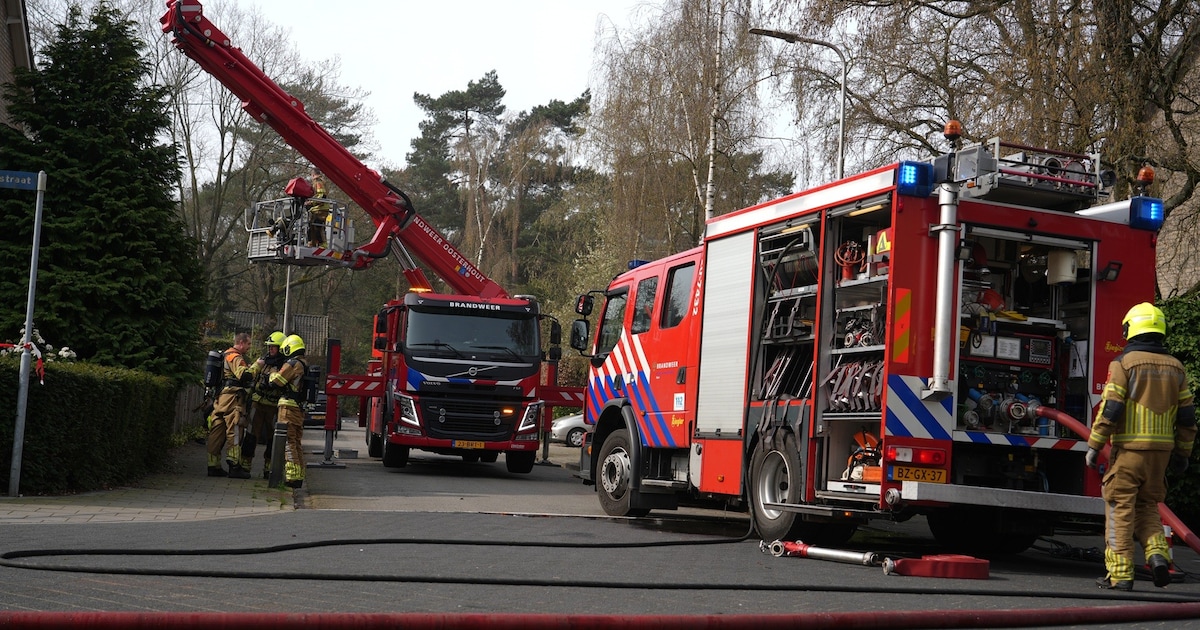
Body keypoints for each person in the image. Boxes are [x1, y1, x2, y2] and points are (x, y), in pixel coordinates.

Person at [1087, 302, 1196, 591]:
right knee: (1147, 507)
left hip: (1129, 453)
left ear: (1131, 329)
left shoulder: (1123, 364)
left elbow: (1111, 409)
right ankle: (1158, 555)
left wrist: (1094, 444)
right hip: (1161, 456)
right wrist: (1183, 454)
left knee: (1119, 509)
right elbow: (1187, 417)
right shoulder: (1177, 368)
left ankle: (1120, 574)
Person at [208, 332, 255, 479]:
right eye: (248, 344)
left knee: (217, 430)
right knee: (234, 430)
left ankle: (213, 466)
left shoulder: (225, 355)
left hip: (220, 398)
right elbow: (244, 375)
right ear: (241, 343)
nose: (249, 347)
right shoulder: (235, 356)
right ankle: (234, 466)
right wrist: (257, 367)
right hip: (232, 400)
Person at [243, 331, 286, 479]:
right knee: (250, 435)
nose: (270, 350)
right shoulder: (263, 361)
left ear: (280, 348)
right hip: (258, 404)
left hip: (274, 407)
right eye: (269, 347)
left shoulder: (285, 366)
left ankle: (269, 468)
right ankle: (245, 465)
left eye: (273, 347)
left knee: (272, 439)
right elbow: (252, 372)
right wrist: (255, 367)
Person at [270, 334, 309, 488]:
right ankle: (298, 474)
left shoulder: (292, 364)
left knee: (288, 441)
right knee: (296, 442)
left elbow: (276, 381)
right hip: (298, 407)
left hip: (288, 407)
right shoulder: (304, 363)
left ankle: (292, 477)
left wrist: (272, 372)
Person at [305, 168, 331, 247]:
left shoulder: (318, 182)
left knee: (317, 226)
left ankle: (322, 243)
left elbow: (321, 195)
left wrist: (311, 202)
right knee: (312, 225)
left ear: (313, 175)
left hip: (320, 208)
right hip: (318, 208)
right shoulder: (321, 181)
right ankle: (312, 243)